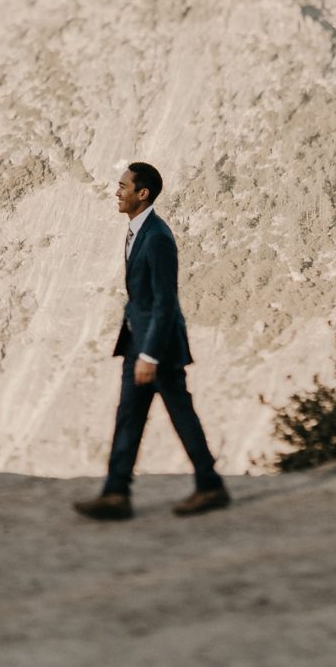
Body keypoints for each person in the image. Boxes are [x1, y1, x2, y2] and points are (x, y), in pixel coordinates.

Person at [72, 162, 230, 520]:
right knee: (128, 415)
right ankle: (116, 495)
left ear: (142, 193)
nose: (117, 192)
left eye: (123, 186)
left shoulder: (157, 238)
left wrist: (150, 355)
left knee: (181, 415)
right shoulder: (136, 231)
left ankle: (210, 485)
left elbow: (165, 301)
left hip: (158, 350)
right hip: (138, 343)